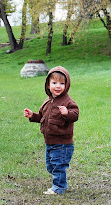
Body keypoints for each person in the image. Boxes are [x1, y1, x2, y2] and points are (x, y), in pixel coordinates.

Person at [24, 66, 79, 195]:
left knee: (58, 166)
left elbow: (75, 115)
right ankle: (59, 183)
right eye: (54, 83)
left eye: (62, 83)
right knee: (50, 166)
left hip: (62, 144)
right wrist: (32, 115)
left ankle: (59, 187)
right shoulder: (47, 102)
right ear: (48, 85)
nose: (58, 86)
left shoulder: (68, 102)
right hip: (49, 142)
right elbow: (42, 117)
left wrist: (67, 113)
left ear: (67, 85)